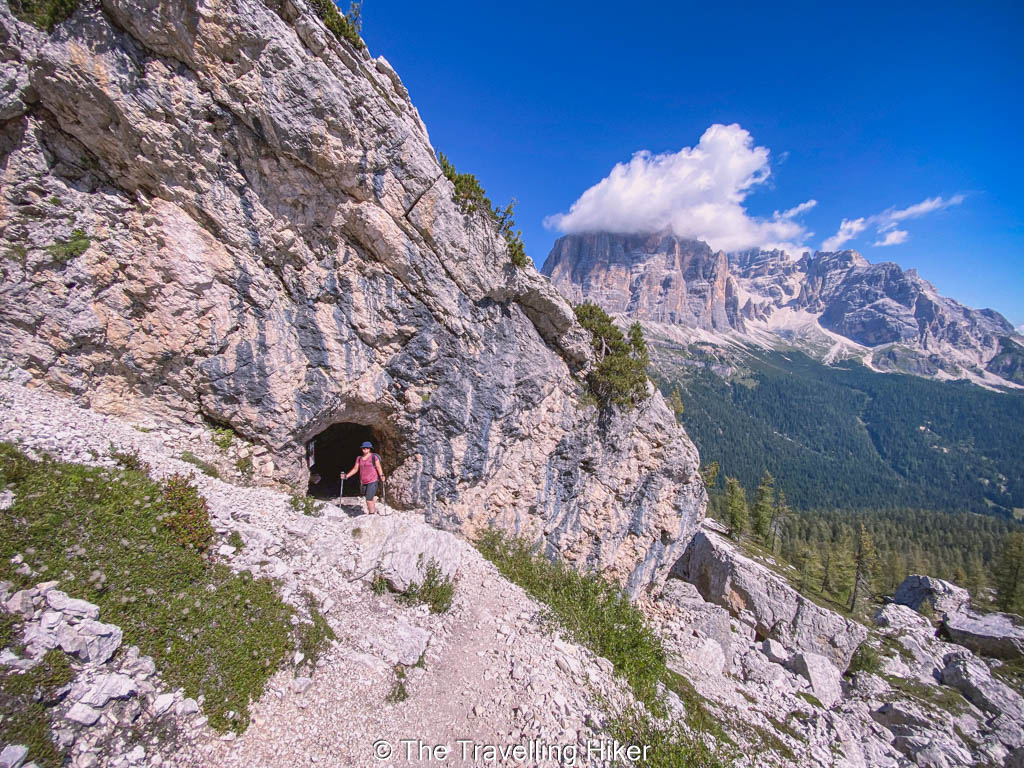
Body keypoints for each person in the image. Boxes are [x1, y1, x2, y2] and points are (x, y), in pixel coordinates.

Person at [341, 441, 386, 515]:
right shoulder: (359, 458)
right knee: (368, 498)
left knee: (368, 499)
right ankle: (373, 506)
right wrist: (346, 476)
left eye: (367, 448)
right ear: (361, 449)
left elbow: (378, 467)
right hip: (363, 482)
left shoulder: (373, 457)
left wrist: (382, 476)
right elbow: (355, 469)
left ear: (370, 449)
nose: (365, 449)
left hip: (373, 480)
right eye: (364, 448)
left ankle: (371, 514)